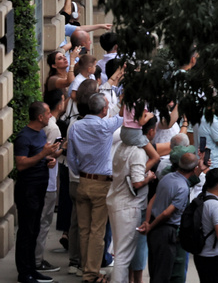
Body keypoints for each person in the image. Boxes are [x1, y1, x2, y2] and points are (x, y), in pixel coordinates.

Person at [68, 93, 144, 283]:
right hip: (101, 183)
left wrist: (81, 173)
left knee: (84, 230)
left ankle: (86, 269)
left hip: (83, 181)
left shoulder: (75, 126)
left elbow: (71, 158)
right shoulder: (106, 125)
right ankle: (91, 273)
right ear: (103, 110)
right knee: (97, 232)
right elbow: (126, 118)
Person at [138, 152, 203, 283]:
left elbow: (152, 200)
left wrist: (147, 221)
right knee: (163, 275)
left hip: (155, 231)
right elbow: (167, 213)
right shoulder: (183, 188)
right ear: (194, 168)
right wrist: (150, 226)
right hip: (166, 232)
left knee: (155, 271)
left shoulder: (167, 178)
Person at [106, 118, 157, 283]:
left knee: (121, 251)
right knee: (123, 254)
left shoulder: (122, 147)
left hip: (117, 201)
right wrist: (148, 178)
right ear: (149, 132)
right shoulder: (137, 152)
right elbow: (136, 182)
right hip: (128, 206)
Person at [15, 101, 59, 283]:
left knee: (35, 230)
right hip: (28, 190)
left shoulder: (41, 132)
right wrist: (42, 155)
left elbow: (39, 157)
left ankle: (32, 268)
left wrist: (50, 159)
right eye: (48, 113)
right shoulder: (24, 137)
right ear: (40, 117)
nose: (50, 116)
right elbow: (21, 163)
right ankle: (24, 273)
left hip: (40, 187)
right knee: (26, 231)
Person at [34, 89, 68, 275]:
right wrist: (62, 147)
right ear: (60, 103)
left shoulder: (48, 125)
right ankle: (37, 260)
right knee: (43, 222)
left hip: (44, 180)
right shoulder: (53, 127)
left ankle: (36, 258)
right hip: (47, 182)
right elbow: (51, 152)